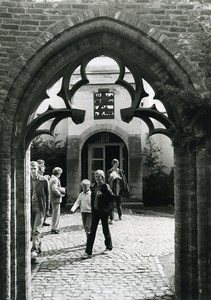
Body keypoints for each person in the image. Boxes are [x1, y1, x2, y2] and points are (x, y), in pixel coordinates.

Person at [82, 170, 115, 259]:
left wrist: (103, 195)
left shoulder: (105, 186)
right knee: (92, 231)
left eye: (99, 177)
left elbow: (112, 197)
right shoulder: (93, 186)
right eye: (96, 177)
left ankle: (109, 246)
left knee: (105, 229)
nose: (97, 178)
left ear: (102, 177)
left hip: (104, 211)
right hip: (95, 211)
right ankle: (88, 252)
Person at [30, 161, 50, 263]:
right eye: (31, 168)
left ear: (38, 169)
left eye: (35, 168)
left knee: (36, 230)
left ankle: (34, 251)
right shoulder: (26, 180)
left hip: (40, 208)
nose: (33, 170)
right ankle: (39, 246)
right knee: (32, 230)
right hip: (29, 210)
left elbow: (48, 195)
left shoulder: (43, 180)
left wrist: (47, 210)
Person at [106, 159, 129, 223]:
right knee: (111, 204)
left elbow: (124, 179)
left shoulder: (120, 171)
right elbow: (107, 180)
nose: (118, 164)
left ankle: (120, 215)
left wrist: (121, 179)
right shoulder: (109, 171)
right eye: (116, 163)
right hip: (112, 189)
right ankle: (111, 218)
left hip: (119, 189)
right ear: (113, 164)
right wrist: (111, 178)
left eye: (118, 163)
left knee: (119, 203)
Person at [49, 167, 66, 234]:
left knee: (55, 213)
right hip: (55, 198)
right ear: (58, 173)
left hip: (53, 198)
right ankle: (54, 228)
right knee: (56, 214)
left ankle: (54, 227)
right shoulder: (55, 179)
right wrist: (60, 194)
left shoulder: (52, 178)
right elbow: (54, 189)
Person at [37, 159, 51, 227]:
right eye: (42, 165)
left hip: (43, 198)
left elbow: (47, 193)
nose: (44, 167)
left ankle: (42, 222)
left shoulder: (44, 178)